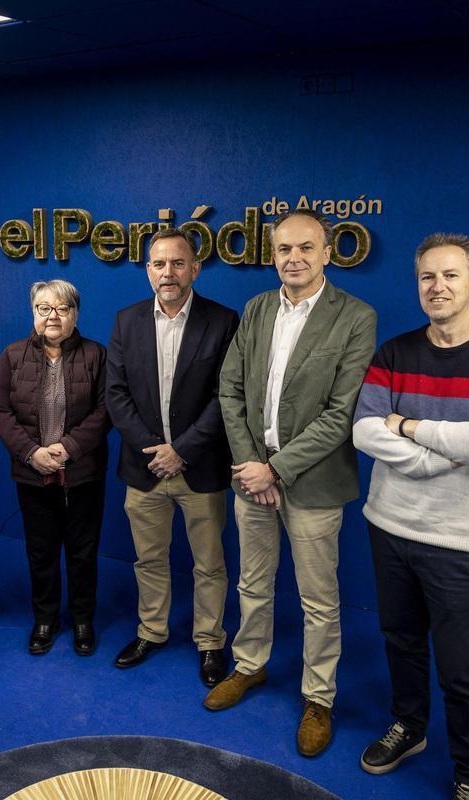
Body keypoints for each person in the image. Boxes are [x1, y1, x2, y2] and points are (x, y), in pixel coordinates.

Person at [352, 234, 469, 800]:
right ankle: (410, 727)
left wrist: (408, 426)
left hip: (460, 539)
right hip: (390, 525)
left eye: (451, 275)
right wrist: (437, 459)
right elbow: (363, 430)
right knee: (401, 642)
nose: (438, 286)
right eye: (428, 276)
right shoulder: (394, 352)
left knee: (462, 669)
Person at [207, 209, 376, 760]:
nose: (294, 258)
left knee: (318, 600)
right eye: (284, 249)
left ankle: (318, 698)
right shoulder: (257, 309)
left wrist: (277, 469)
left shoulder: (355, 317)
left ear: (327, 254)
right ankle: (249, 664)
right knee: (252, 583)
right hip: (251, 478)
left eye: (306, 248)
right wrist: (251, 465)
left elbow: (341, 413)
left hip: (313, 482)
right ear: (273, 255)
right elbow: (230, 390)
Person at [105, 228, 239, 687]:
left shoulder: (223, 321)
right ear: (148, 271)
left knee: (210, 564)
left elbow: (226, 396)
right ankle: (152, 631)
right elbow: (116, 394)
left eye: (178, 263)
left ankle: (210, 641)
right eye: (159, 264)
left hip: (199, 467)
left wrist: (181, 450)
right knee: (148, 560)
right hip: (144, 469)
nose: (168, 272)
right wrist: (155, 451)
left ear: (194, 269)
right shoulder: (126, 321)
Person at [0, 280, 111, 656]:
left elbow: (106, 410)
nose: (52, 316)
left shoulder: (96, 354)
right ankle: (45, 619)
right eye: (44, 308)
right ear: (34, 313)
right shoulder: (13, 355)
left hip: (83, 473)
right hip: (33, 474)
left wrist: (69, 448)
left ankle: (82, 619)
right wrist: (31, 453)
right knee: (40, 552)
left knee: (82, 552)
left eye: (62, 308)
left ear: (75, 313)